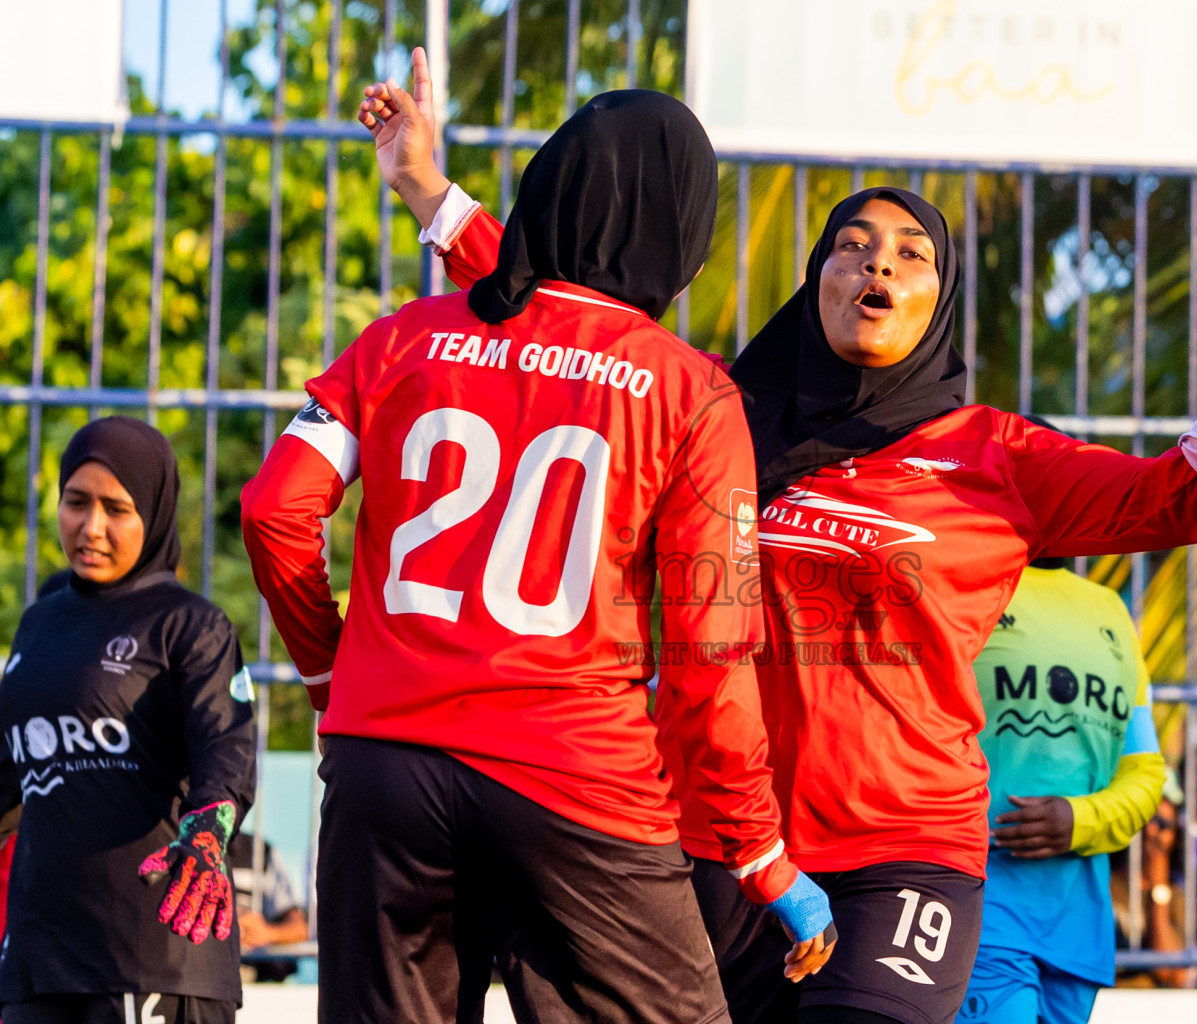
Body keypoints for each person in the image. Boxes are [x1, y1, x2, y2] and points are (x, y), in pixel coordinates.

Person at [371, 47, 1197, 1024]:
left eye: (910, 252)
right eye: (853, 244)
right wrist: (424, 184)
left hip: (903, 856)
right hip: (715, 848)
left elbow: (1180, 499)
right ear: (818, 276)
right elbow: (574, 322)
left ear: (939, 300)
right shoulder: (713, 405)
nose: (879, 264)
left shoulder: (996, 454)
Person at [244, 78, 833, 1024]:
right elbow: (708, 656)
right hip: (576, 780)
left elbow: (276, 510)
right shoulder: (691, 395)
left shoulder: (399, 341)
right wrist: (759, 853)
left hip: (383, 766)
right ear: (683, 229)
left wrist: (329, 678)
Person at [0, 417, 256, 1023]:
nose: (91, 527)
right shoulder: (38, 625)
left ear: (155, 511)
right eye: (76, 502)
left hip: (155, 957)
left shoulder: (190, 626)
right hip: (39, 963)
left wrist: (207, 832)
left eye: (117, 508)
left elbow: (227, 753)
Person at [961, 556, 1167, 1023]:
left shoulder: (1109, 608)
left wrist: (1081, 820)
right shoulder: (968, 582)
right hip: (981, 907)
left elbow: (1146, 771)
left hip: (1078, 930)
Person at [1110, 798, 1197, 990]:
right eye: (1144, 820)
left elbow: (1166, 967)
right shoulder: (1105, 885)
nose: (1151, 830)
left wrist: (1158, 889)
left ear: (1175, 837)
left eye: (1163, 824)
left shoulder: (1176, 896)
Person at [228, 832, 308, 983]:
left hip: (248, 975)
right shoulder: (176, 845)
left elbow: (300, 929)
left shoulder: (260, 851)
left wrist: (264, 933)